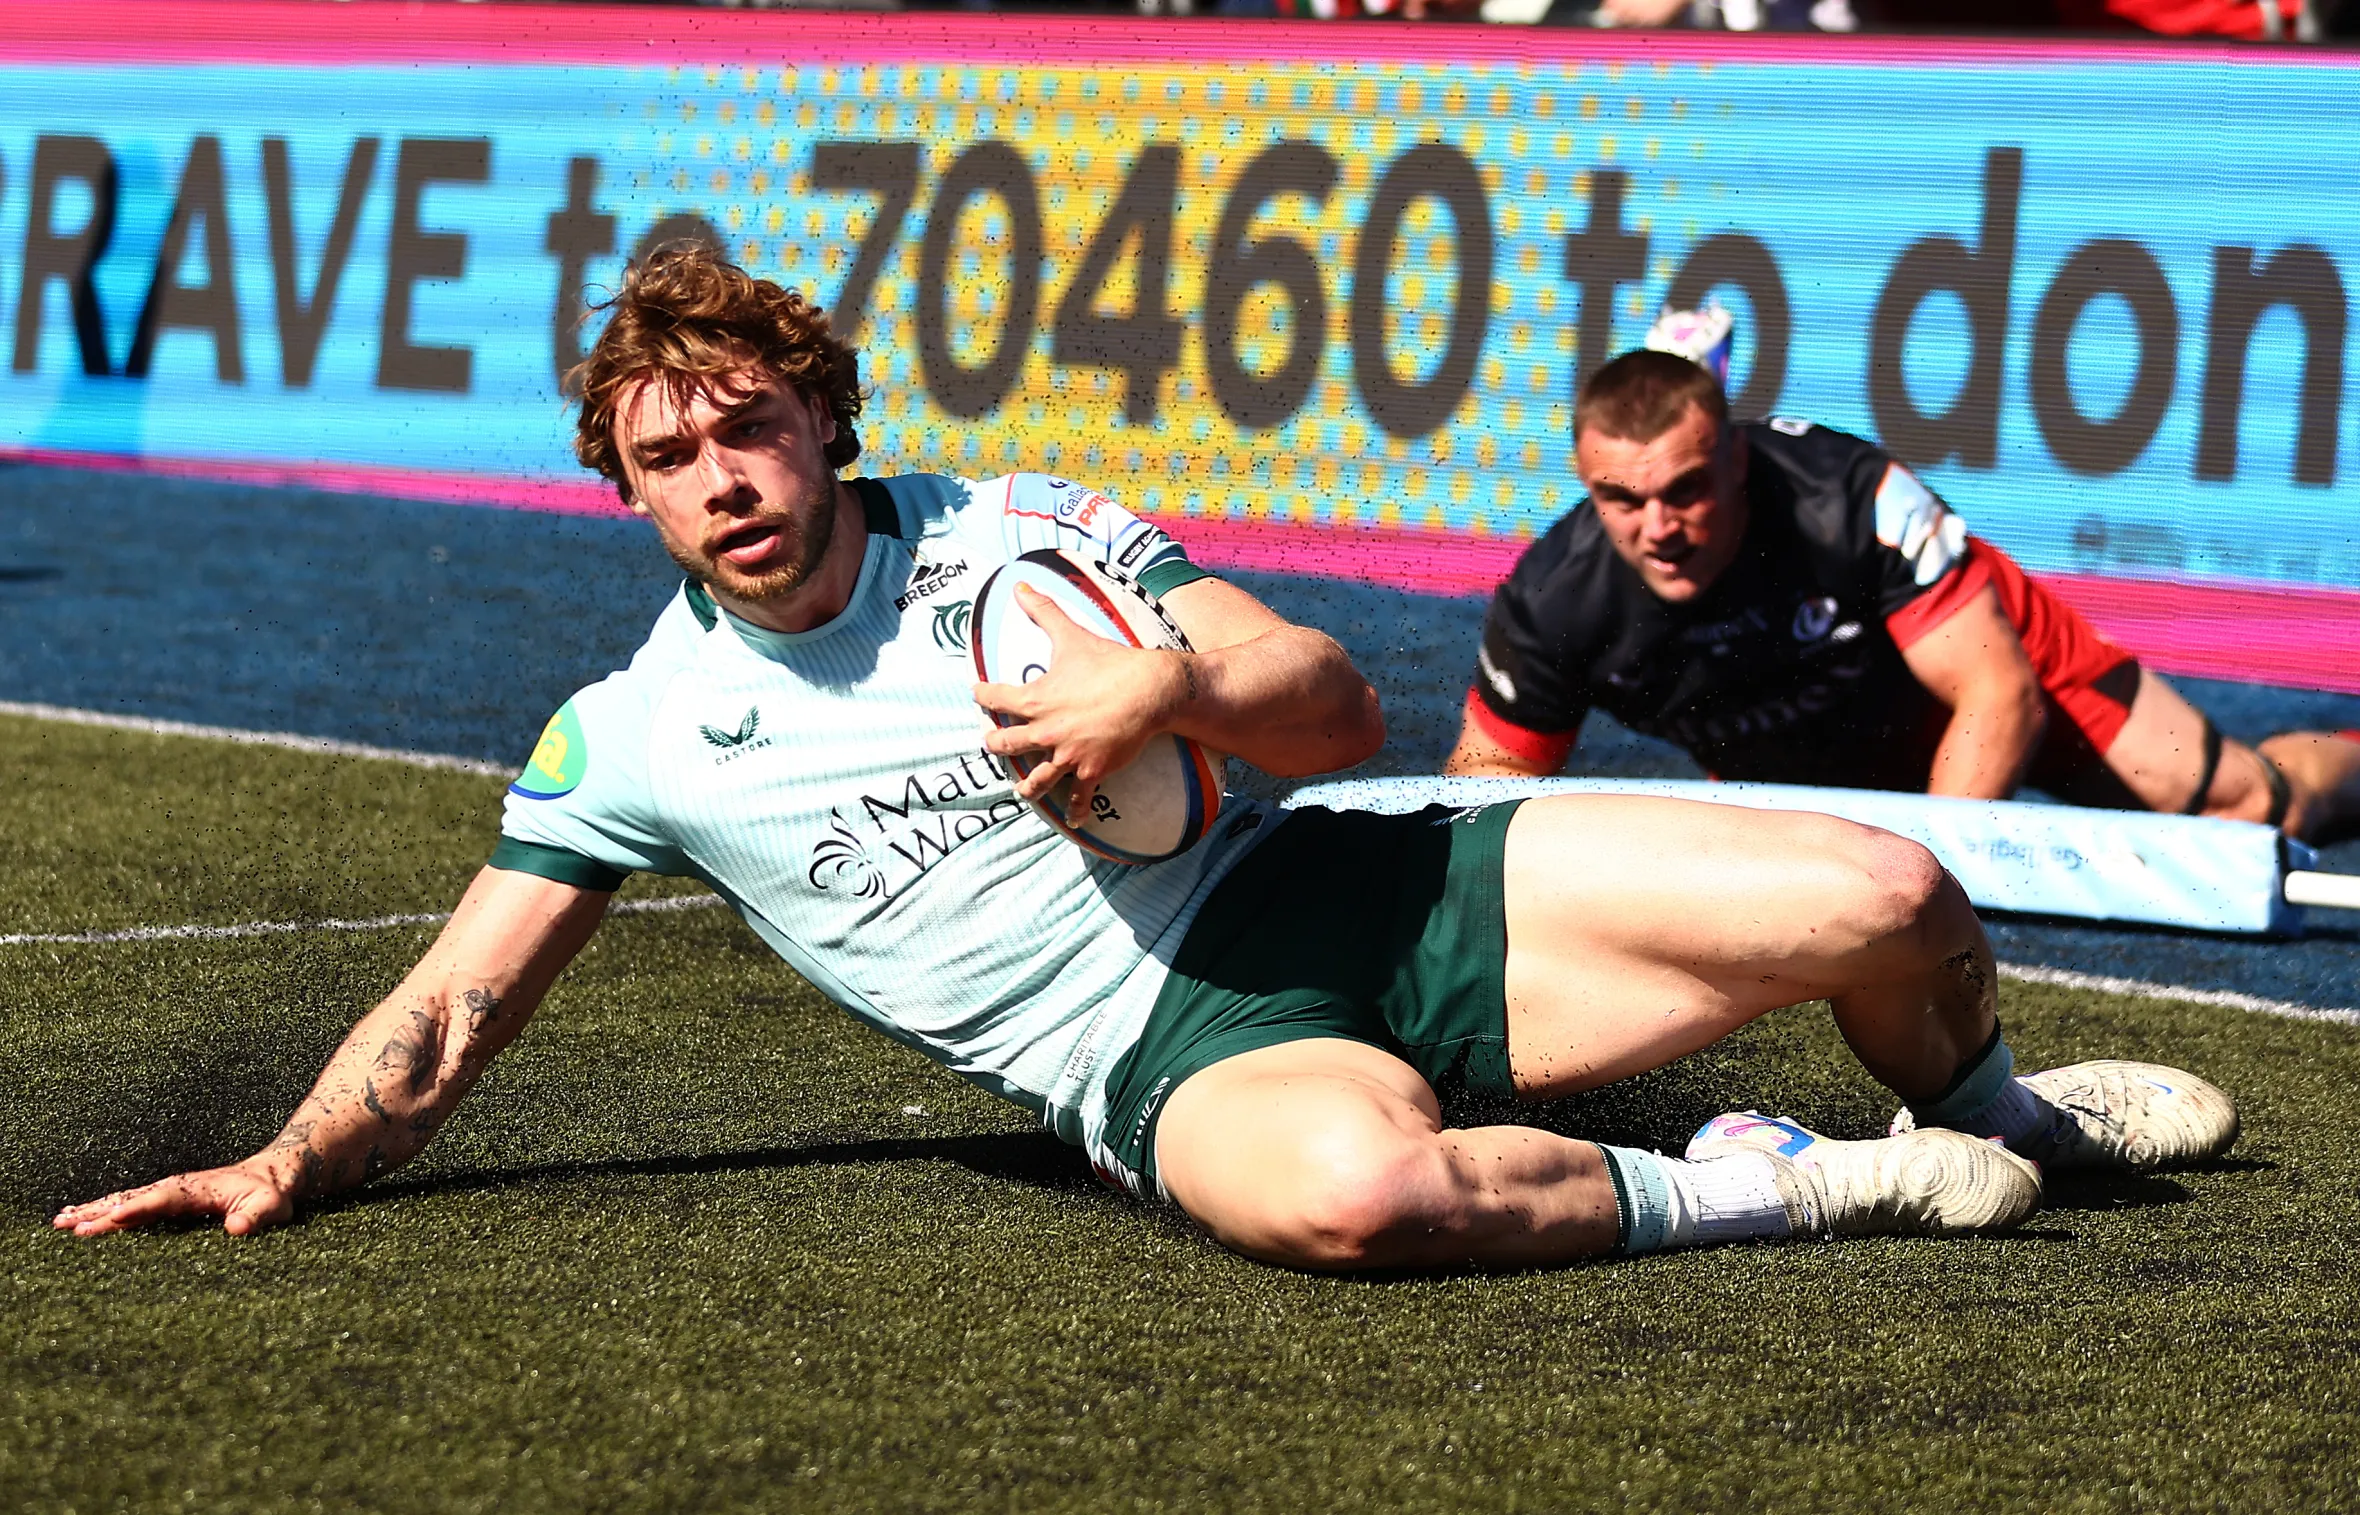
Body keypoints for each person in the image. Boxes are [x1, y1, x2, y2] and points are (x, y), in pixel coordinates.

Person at [57, 249, 2238, 1272]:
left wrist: (1153, 698)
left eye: (747, 424)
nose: (720, 475)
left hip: (1341, 874)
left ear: (824, 414)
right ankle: (1797, 1174)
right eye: (666, 456)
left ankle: (1992, 1102)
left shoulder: (1012, 535)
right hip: (1165, 1054)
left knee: (1888, 896)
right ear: (623, 495)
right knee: (1359, 1196)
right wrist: (293, 1158)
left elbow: (1324, 699)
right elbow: (453, 1002)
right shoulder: (629, 733)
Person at [1446, 324, 2360, 845]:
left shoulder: (1847, 500)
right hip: (1810, 748)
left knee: (2256, 812)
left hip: (1997, 677)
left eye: (1684, 490)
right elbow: (1476, 802)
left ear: (1733, 455)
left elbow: (1998, 696)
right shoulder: (1552, 600)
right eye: (1621, 498)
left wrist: (1922, 875)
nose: (1658, 527)